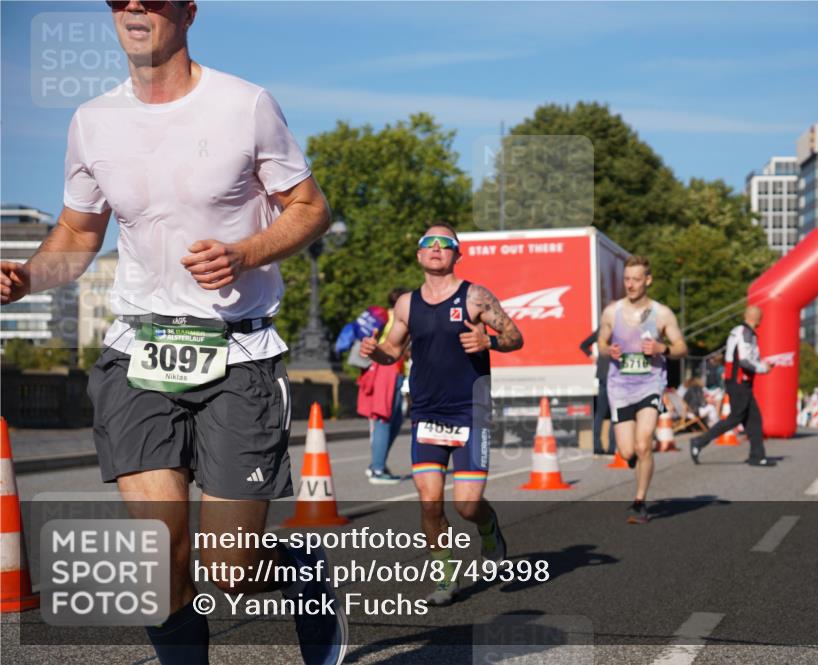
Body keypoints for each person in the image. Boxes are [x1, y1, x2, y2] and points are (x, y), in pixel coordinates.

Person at [1, 3, 347, 663]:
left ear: (188, 11)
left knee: (230, 570)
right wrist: (30, 276)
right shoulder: (92, 121)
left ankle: (300, 569)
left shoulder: (244, 105)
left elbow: (310, 208)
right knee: (159, 563)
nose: (135, 7)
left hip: (237, 353)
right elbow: (79, 233)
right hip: (138, 354)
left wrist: (245, 253)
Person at [360, 223, 524, 606]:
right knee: (430, 501)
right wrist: (376, 351)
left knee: (467, 505)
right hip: (428, 412)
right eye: (428, 244)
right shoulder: (406, 305)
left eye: (444, 243)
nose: (436, 248)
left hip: (470, 410)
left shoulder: (476, 297)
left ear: (456, 254)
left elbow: (516, 336)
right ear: (419, 255)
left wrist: (490, 341)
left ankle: (489, 528)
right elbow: (393, 351)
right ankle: (444, 579)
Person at [597, 255, 687, 525]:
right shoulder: (612, 312)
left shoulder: (662, 314)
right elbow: (601, 342)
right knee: (626, 452)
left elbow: (681, 347)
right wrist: (608, 350)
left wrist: (663, 349)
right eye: (627, 279)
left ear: (648, 280)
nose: (631, 285)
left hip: (650, 384)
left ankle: (640, 501)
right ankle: (636, 461)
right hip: (620, 386)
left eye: (636, 279)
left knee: (643, 443)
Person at [689, 306, 775, 467]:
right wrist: (763, 368)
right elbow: (744, 360)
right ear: (757, 318)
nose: (760, 322)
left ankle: (758, 456)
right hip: (739, 383)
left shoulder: (741, 332)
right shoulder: (745, 333)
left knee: (754, 419)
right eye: (760, 318)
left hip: (740, 382)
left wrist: (761, 365)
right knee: (735, 419)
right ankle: (699, 442)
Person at [356, 288, 409, 483]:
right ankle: (377, 469)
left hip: (391, 371)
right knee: (384, 418)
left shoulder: (384, 316)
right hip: (387, 371)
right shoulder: (398, 317)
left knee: (393, 419)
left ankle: (378, 464)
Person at [580, 329, 616, 455]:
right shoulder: (622, 327)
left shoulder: (603, 328)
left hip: (603, 374)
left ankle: (597, 446)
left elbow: (583, 345)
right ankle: (612, 447)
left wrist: (592, 356)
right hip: (616, 375)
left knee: (600, 413)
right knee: (614, 413)